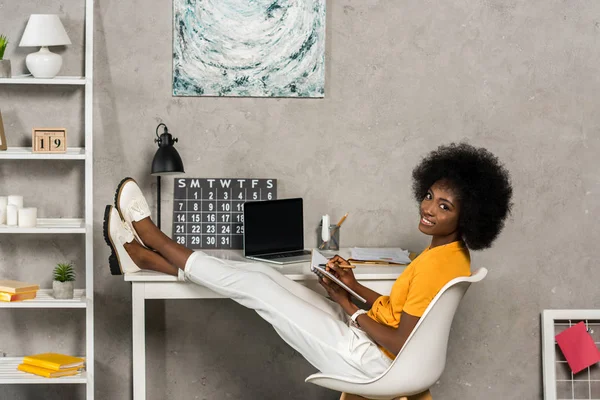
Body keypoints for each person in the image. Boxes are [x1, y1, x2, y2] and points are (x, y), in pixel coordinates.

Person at [103, 142, 512, 386]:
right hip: (375, 346)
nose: (428, 209)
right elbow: (398, 313)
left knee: (258, 288)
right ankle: (144, 257)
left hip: (375, 361)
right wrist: (348, 286)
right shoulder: (445, 254)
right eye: (429, 196)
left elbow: (401, 342)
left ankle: (152, 239)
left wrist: (350, 309)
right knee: (260, 274)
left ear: (469, 215)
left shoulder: (439, 265)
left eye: (444, 206)